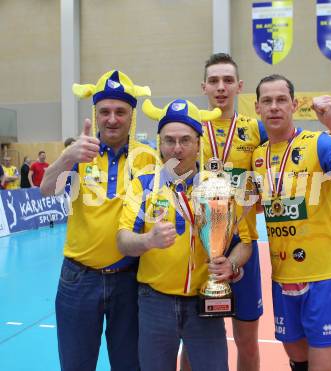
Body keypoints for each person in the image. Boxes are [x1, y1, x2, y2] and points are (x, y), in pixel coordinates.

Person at [251, 74, 331, 371]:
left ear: (294, 104)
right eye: (267, 101)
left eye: (281, 100)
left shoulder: (317, 143)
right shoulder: (257, 157)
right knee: (298, 360)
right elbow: (255, 205)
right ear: (257, 108)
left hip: (325, 277)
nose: (274, 107)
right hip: (283, 277)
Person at [40, 70, 156, 371]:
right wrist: (67, 157)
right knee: (76, 365)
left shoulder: (149, 159)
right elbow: (46, 190)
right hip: (79, 280)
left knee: (131, 365)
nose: (112, 119)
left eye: (120, 111)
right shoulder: (80, 155)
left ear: (132, 115)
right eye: (105, 111)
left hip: (130, 279)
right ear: (96, 114)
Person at [117, 98, 229, 371]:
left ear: (198, 144)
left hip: (205, 301)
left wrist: (232, 263)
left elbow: (240, 242)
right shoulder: (142, 185)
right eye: (169, 140)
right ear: (159, 144)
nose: (177, 148)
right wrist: (147, 240)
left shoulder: (217, 188)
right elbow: (122, 241)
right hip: (155, 303)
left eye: (185, 140)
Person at [181, 53, 267, 371]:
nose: (221, 87)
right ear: (204, 86)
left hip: (243, 246)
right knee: (193, 343)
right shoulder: (190, 129)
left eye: (228, 80)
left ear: (239, 86)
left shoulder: (256, 130)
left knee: (247, 341)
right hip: (198, 246)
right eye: (214, 81)